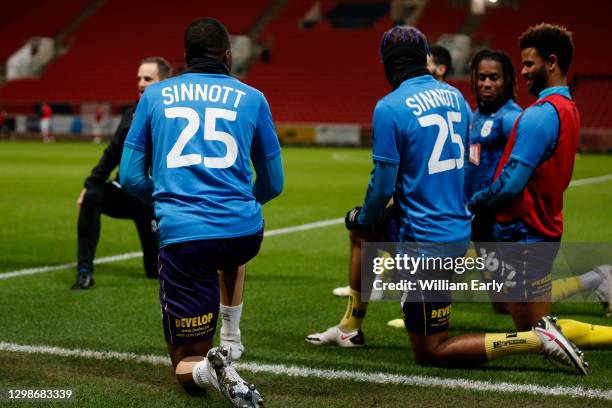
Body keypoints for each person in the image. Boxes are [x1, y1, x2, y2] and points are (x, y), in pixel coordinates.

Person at [306, 25, 588, 375]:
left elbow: (382, 185)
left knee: (431, 350)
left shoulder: (389, 107)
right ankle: (351, 325)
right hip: (456, 225)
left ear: (387, 62)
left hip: (427, 238)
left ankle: (536, 338)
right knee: (366, 236)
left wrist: (366, 215)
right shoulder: (456, 98)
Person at [120, 18, 283, 407]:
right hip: (244, 236)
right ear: (227, 56)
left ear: (185, 58)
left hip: (186, 240)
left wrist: (167, 202)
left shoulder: (155, 95)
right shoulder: (253, 97)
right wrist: (242, 203)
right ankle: (230, 337)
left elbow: (128, 177)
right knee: (227, 246)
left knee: (184, 362)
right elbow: (273, 183)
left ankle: (209, 369)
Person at [468, 24, 610, 348]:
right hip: (539, 226)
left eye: (529, 63)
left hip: (524, 230)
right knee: (527, 333)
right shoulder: (568, 108)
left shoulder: (539, 116)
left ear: (552, 62)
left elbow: (510, 184)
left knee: (535, 335)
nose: (524, 71)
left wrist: (475, 203)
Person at [72, 57, 172, 290]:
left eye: (147, 78)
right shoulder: (131, 113)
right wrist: (89, 185)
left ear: (165, 82)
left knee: (154, 271)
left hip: (153, 200)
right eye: (139, 78)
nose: (140, 82)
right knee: (93, 197)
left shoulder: (174, 116)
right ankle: (84, 272)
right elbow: (113, 151)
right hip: (125, 191)